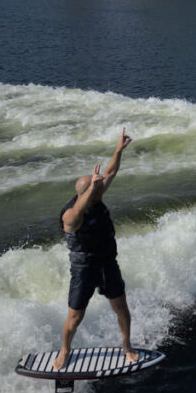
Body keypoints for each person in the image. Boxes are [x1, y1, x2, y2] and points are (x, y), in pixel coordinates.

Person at [53, 128, 138, 370]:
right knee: (75, 316)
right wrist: (92, 189)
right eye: (97, 189)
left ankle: (127, 346)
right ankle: (65, 350)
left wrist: (118, 150)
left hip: (107, 262)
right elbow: (76, 214)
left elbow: (110, 171)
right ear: (87, 192)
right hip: (84, 268)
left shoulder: (97, 196)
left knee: (121, 307)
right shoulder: (71, 216)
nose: (103, 189)